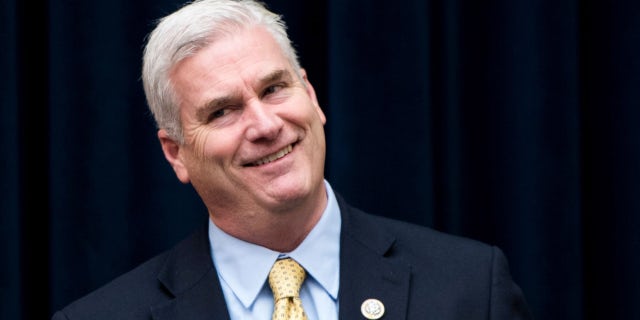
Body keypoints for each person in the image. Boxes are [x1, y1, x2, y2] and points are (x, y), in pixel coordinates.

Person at [52, 0, 533, 319]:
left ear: (312, 97)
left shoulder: (470, 288)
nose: (264, 125)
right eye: (222, 111)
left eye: (274, 89)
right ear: (176, 154)